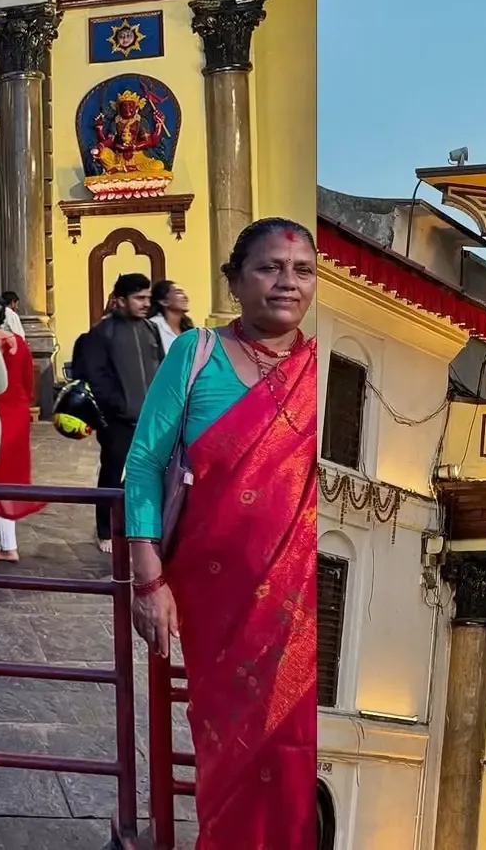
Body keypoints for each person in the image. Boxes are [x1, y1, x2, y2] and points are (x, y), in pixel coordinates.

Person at [126, 219, 319, 849]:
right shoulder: (196, 353)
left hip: (307, 607)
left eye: (303, 270)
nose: (287, 282)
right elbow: (146, 464)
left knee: (292, 748)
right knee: (231, 748)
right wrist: (147, 577)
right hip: (215, 598)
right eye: (269, 268)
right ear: (234, 280)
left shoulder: (322, 369)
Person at [70, 273, 162, 551]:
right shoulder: (101, 333)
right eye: (139, 298)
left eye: (148, 297)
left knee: (149, 474)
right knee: (112, 474)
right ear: (121, 301)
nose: (146, 303)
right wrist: (118, 407)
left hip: (149, 418)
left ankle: (143, 526)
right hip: (117, 420)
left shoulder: (150, 329)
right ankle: (105, 531)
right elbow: (95, 377)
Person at [0, 293, 40, 560]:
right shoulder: (19, 344)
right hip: (16, 412)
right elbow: (28, 382)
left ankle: (3, 544)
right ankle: (7, 543)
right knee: (8, 476)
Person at [148, 280, 193, 351]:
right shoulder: (153, 326)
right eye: (178, 292)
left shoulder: (187, 327)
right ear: (164, 302)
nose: (185, 297)